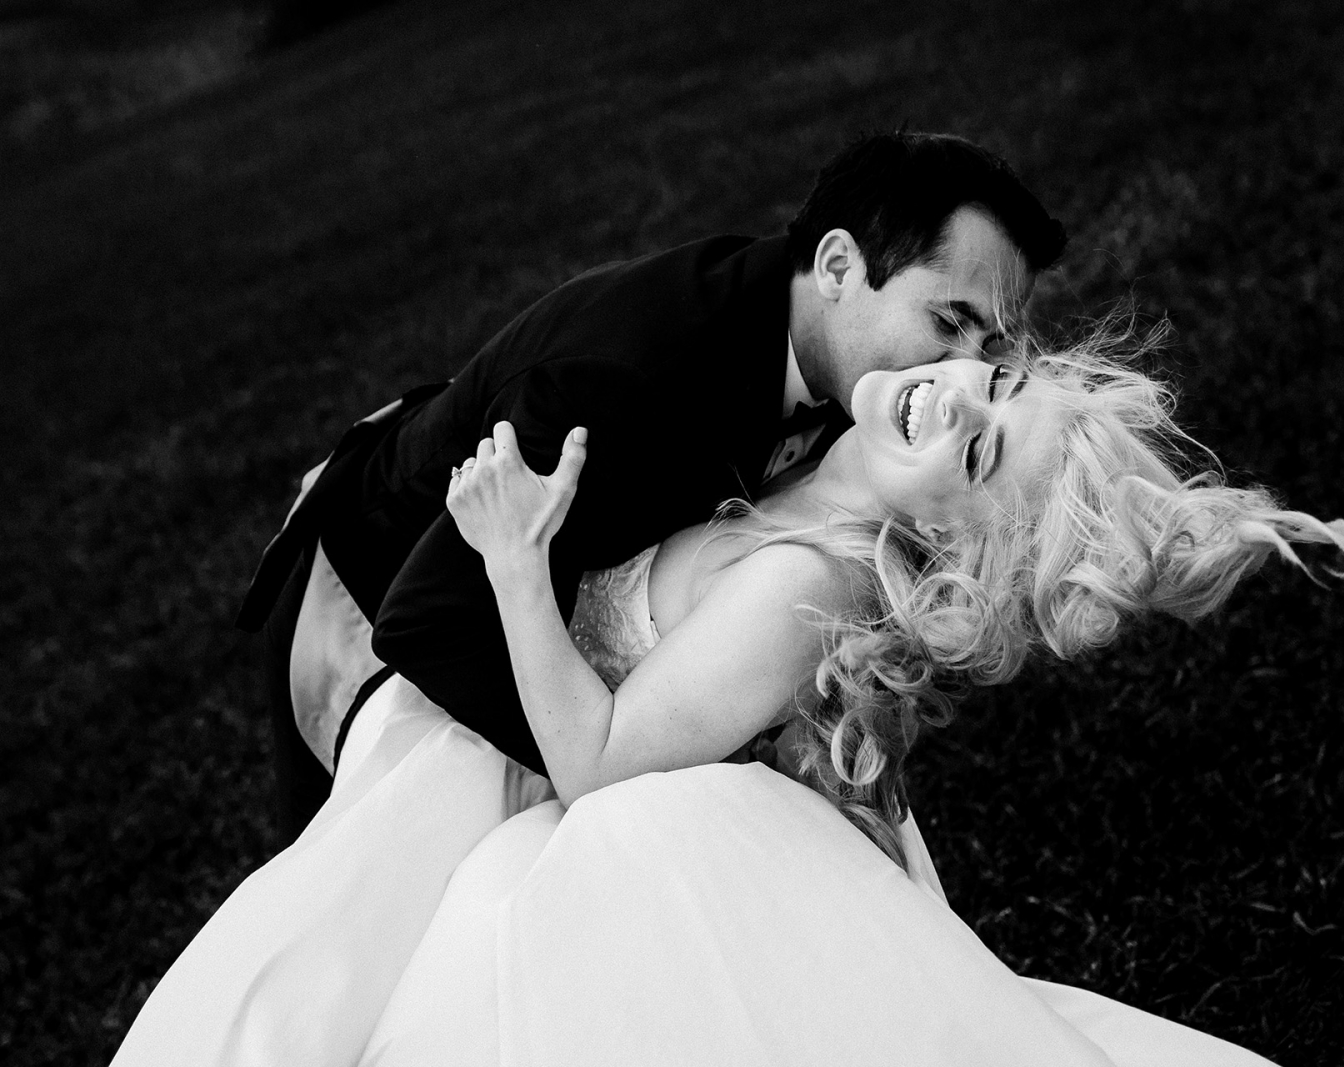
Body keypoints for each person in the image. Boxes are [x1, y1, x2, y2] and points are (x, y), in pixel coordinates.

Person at [111, 322, 1344, 1066]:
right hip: (493, 739)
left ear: (954, 541)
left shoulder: (803, 582)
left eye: (976, 445)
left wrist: (515, 559)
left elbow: (600, 759)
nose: (955, 390)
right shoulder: (804, 469)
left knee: (304, 997)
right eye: (998, 380)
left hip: (551, 780)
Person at [234, 130, 1067, 843]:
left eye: (990, 348)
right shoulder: (626, 385)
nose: (963, 371)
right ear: (840, 265)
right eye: (949, 322)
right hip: (367, 591)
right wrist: (644, 753)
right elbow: (431, 616)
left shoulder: (852, 371)